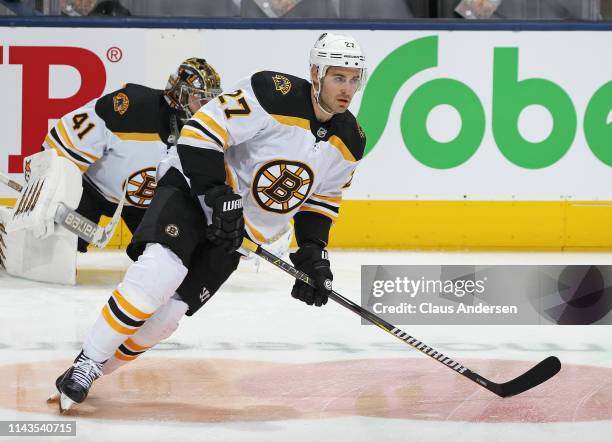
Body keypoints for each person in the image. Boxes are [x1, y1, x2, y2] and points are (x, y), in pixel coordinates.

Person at [50, 32, 367, 413]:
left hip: (237, 232)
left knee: (168, 317)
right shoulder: (271, 92)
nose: (347, 88)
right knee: (157, 275)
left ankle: (94, 369)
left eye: (354, 79)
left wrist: (313, 255)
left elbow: (320, 199)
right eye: (338, 77)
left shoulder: (351, 138)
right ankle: (86, 364)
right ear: (316, 73)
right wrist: (216, 192)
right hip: (191, 192)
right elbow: (202, 130)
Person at [42, 58, 222, 252]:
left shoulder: (204, 132)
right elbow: (61, 145)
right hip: (90, 191)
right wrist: (48, 189)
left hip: (145, 205)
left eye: (210, 100)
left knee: (168, 257)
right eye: (201, 100)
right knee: (56, 248)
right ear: (179, 95)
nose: (207, 108)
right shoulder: (130, 109)